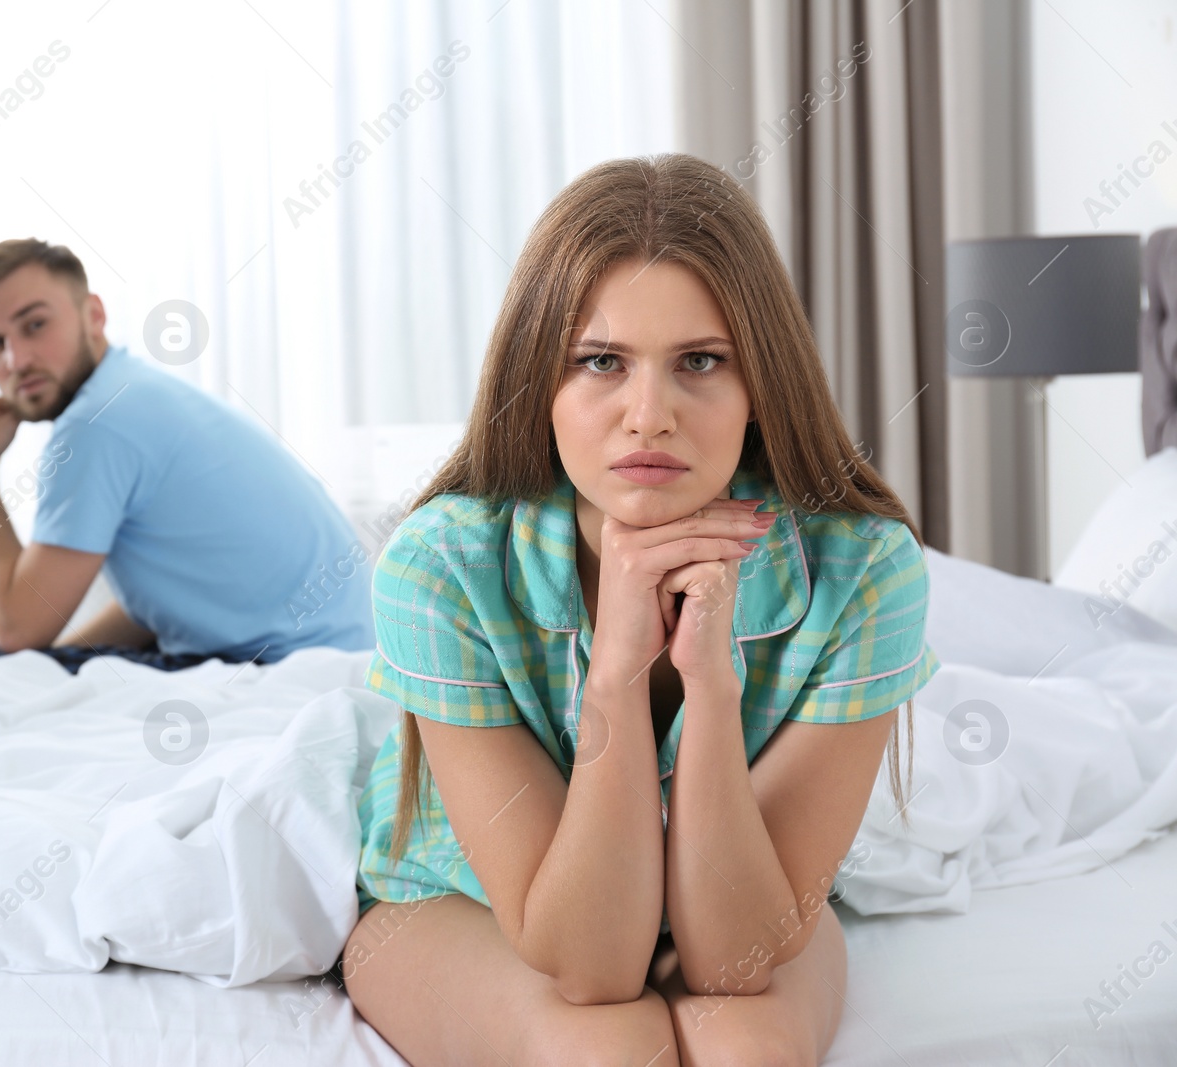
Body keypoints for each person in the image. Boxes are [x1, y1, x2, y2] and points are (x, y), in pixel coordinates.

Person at [338, 154, 941, 1065]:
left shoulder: (863, 570)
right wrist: (616, 675)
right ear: (540, 382)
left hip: (741, 901)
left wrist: (712, 683)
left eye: (700, 361)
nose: (648, 414)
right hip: (457, 901)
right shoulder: (440, 566)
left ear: (757, 388)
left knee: (748, 1052)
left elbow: (735, 960)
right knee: (613, 1050)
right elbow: (591, 966)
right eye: (600, 363)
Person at [0, 238, 372, 672]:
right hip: (338, 656)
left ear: (93, 315)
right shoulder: (131, 391)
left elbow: (17, 630)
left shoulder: (97, 423)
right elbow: (160, 609)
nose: (16, 360)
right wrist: (59, 662)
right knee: (15, 670)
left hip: (287, 669)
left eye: (35, 325)